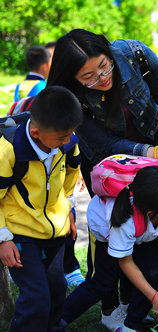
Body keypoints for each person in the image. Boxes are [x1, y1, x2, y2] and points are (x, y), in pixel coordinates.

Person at [46, 29, 158, 328]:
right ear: (72, 77)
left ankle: (131, 306)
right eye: (88, 76)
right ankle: (109, 305)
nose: (101, 78)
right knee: (112, 240)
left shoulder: (132, 52)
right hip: (106, 167)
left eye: (104, 66)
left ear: (108, 52)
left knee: (143, 243)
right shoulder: (70, 95)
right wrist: (152, 153)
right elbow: (103, 145)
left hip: (149, 151)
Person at [61, 166, 158, 331]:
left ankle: (131, 323)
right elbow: (125, 262)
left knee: (154, 271)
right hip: (105, 234)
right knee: (102, 282)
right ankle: (56, 321)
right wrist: (155, 298)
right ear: (153, 211)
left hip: (141, 233)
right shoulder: (125, 221)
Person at [0, 86, 82, 332]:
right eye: (61, 137)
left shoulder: (68, 143)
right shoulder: (9, 151)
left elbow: (70, 175)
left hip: (55, 231)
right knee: (36, 298)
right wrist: (3, 238)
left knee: (57, 290)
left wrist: (69, 209)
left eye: (71, 133)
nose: (67, 141)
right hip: (19, 234)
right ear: (36, 133)